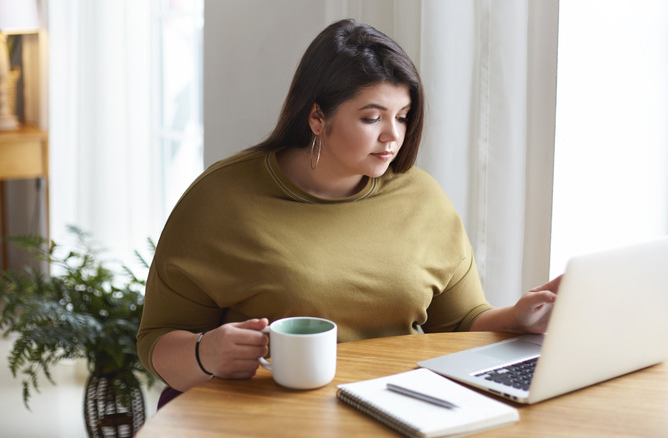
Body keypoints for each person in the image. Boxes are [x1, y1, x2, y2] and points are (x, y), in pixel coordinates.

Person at [137, 19, 560, 400]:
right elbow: (156, 341)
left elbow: (460, 323)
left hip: (407, 406)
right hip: (271, 415)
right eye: (372, 118)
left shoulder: (422, 197)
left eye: (404, 115)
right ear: (317, 117)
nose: (392, 136)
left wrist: (517, 318)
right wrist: (205, 353)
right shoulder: (221, 198)